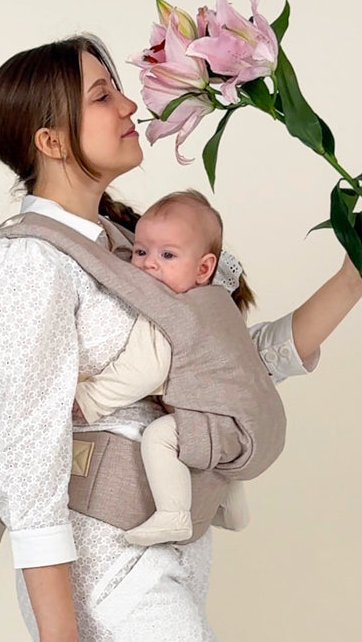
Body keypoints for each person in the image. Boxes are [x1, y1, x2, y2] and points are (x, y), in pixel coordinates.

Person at [0, 35, 362, 641]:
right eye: (102, 96)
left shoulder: (133, 246)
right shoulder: (28, 261)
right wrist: (58, 633)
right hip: (102, 563)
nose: (129, 106)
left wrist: (352, 276)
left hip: (171, 544)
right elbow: (25, 449)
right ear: (50, 141)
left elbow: (226, 368)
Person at [75, 189, 250, 547]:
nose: (149, 264)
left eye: (167, 255)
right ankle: (231, 508)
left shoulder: (168, 312)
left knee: (160, 437)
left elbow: (145, 370)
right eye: (141, 252)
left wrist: (90, 398)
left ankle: (174, 515)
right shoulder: (213, 306)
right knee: (213, 450)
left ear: (204, 268)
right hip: (235, 416)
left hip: (213, 416)